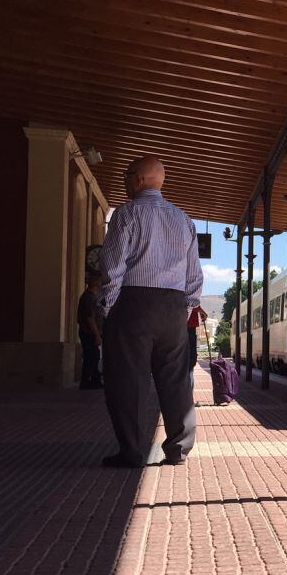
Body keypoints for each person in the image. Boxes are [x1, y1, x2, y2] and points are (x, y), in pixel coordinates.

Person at [99, 155, 203, 468]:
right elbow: (194, 274)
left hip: (133, 303)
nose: (123, 180)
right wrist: (185, 307)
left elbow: (112, 265)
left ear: (138, 179)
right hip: (173, 306)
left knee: (127, 379)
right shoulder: (183, 219)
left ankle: (131, 451)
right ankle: (178, 450)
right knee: (175, 378)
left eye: (126, 175)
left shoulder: (126, 214)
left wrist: (108, 306)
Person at [77, 274, 104, 389]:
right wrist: (97, 335)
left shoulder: (92, 297)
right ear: (97, 283)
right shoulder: (88, 298)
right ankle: (85, 382)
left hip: (90, 332)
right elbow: (90, 319)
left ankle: (95, 381)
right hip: (89, 333)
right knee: (90, 357)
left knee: (94, 356)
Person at [186, 305, 208, 369]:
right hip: (188, 325)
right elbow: (192, 302)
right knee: (190, 357)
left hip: (186, 325)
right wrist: (202, 311)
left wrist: (200, 311)